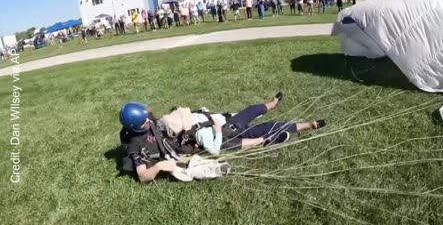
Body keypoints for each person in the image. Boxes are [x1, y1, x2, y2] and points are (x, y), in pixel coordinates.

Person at [160, 93, 326, 156]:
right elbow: (215, 150)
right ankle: (308, 125)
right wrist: (217, 130)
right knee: (266, 128)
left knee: (252, 110)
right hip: (229, 135)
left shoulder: (193, 117)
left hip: (230, 121)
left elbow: (205, 114)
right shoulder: (198, 134)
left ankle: (272, 104)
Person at [119, 102, 177, 183]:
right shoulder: (135, 145)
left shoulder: (146, 118)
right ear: (136, 127)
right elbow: (142, 176)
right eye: (144, 121)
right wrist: (158, 167)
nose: (148, 120)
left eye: (146, 117)